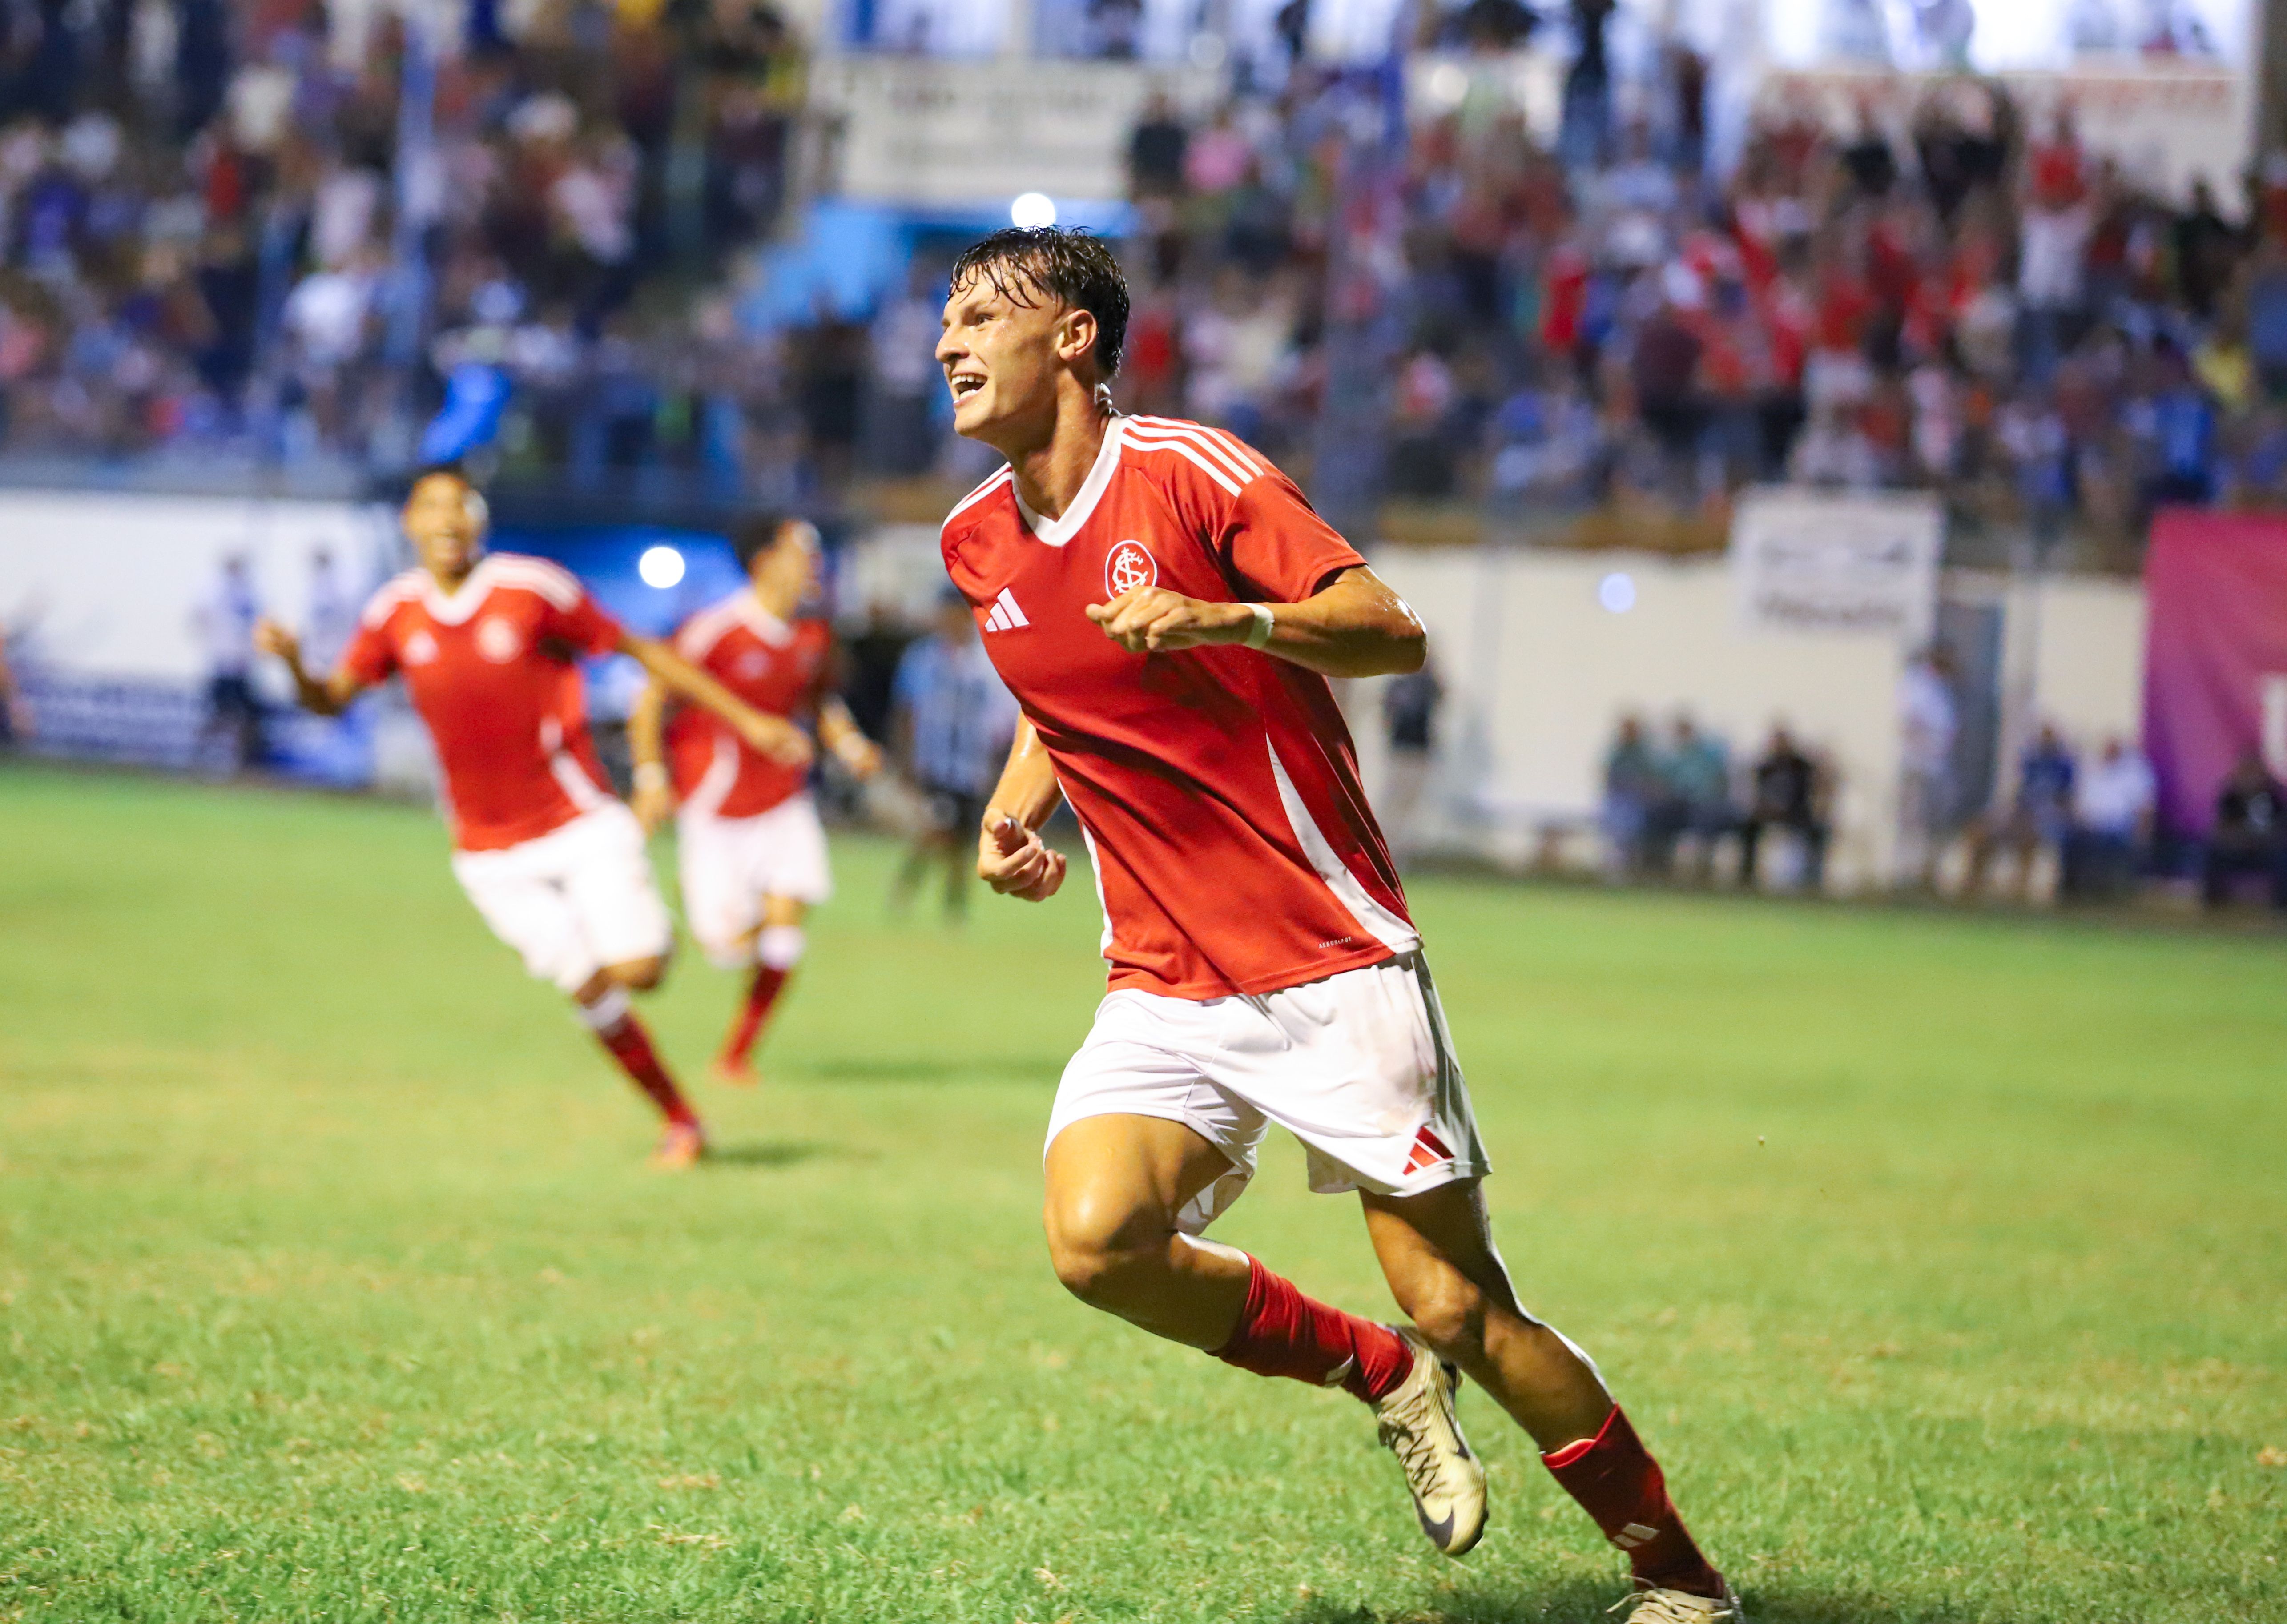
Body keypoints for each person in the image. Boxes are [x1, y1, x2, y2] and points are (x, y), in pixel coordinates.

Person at [934, 226, 1738, 1622]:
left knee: (1461, 1303)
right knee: (1095, 1237)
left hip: (1328, 956)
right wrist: (1018, 812)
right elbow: (1053, 691)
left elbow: (1386, 624)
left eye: (978, 315)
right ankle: (1375, 1374)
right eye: (942, 320)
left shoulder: (1190, 472)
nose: (947, 342)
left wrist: (1224, 619)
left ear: (1071, 338)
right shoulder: (974, 538)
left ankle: (1678, 1576)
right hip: (1162, 977)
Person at [255, 466, 798, 1168]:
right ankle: (682, 1122)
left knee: (638, 969)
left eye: (461, 507)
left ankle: (655, 938)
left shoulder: (530, 589)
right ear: (410, 524)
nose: (448, 521)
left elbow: (642, 652)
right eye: (432, 508)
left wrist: (748, 720)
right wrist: (298, 668)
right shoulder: (394, 612)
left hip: (576, 822)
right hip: (487, 853)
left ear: (479, 519)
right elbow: (333, 699)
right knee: (589, 990)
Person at [628, 517, 883, 1086]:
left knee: (787, 932)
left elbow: (818, 701)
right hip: (715, 806)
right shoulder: (716, 629)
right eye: (802, 553)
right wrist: (651, 776)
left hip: (783, 801)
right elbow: (651, 700)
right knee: (728, 948)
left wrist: (848, 743)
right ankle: (689, 910)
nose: (814, 566)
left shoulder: (814, 636)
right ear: (764, 560)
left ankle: (736, 1056)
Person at [888, 587, 1021, 921]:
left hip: (971, 766)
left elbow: (1002, 720)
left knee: (963, 840)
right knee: (936, 831)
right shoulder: (923, 657)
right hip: (934, 762)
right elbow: (906, 711)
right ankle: (908, 894)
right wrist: (905, 760)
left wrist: (996, 765)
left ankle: (954, 905)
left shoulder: (985, 661)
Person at [1963, 723, 2075, 901]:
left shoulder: (2064, 767)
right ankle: (1971, 888)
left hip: (2046, 819)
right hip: (2022, 815)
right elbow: (2020, 796)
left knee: (2028, 837)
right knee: (1980, 832)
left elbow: (2066, 801)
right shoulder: (2032, 762)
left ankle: (2019, 891)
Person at [194, 554, 266, 773]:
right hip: (223, 664)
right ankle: (200, 759)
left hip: (243, 666)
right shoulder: (214, 591)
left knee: (248, 718)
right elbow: (199, 617)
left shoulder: (250, 592)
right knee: (219, 715)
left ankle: (242, 764)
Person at [2062, 736, 2154, 902]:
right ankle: (2075, 895)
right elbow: (2077, 802)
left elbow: (2145, 808)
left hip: (2119, 828)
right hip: (2089, 826)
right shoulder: (2092, 770)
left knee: (2107, 844)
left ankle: (2112, 895)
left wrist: (2142, 834)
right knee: (2071, 840)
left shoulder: (2134, 773)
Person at [1896, 645, 1958, 888]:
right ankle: (1909, 874)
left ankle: (1928, 873)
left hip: (1937, 766)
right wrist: (1925, 747)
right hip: (1920, 766)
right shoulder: (1918, 686)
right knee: (1914, 822)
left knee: (1936, 823)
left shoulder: (1941, 688)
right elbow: (1911, 722)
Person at [1739, 724, 1827, 891]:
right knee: (1748, 827)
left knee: (1818, 831)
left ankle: (1812, 881)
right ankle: (1746, 878)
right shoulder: (1766, 767)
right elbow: (1757, 793)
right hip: (1769, 812)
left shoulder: (1802, 766)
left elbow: (1814, 791)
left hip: (1796, 813)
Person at [2201, 750, 2287, 909]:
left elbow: (2281, 829)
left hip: (2267, 850)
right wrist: (2242, 839)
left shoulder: (2275, 795)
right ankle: (2214, 907)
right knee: (2213, 855)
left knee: (2283, 859)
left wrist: (2263, 840)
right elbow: (2222, 829)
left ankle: (2280, 909)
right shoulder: (2231, 796)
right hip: (2237, 849)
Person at [1379, 659, 1443, 864]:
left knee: (1411, 805)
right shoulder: (1400, 685)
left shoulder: (1427, 684)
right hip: (1402, 750)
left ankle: (1401, 852)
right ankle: (1387, 850)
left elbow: (1440, 696)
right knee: (1394, 802)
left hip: (1419, 752)